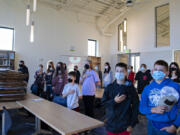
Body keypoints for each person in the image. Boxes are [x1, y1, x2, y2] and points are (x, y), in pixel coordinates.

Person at [139, 60, 180, 135]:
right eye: (155, 69)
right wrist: (153, 109)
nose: (157, 72)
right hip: (151, 125)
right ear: (152, 71)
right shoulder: (147, 88)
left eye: (161, 70)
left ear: (167, 73)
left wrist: (175, 126)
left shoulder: (175, 86)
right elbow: (141, 108)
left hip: (169, 125)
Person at [102, 62, 139, 135]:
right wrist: (114, 101)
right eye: (117, 71)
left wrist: (132, 124)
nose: (119, 73)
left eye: (122, 71)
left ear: (126, 73)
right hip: (111, 123)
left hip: (125, 124)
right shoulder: (109, 87)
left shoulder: (131, 88)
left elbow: (136, 106)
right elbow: (104, 103)